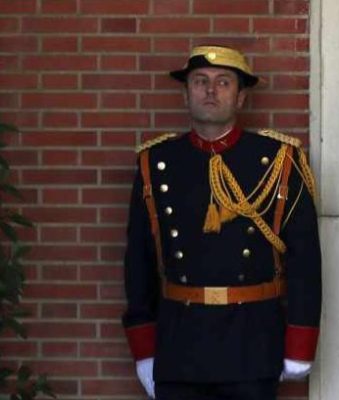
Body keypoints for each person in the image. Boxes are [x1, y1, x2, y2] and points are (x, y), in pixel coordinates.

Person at [122, 45, 322, 399]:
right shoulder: (156, 161)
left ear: (241, 97)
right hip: (180, 345)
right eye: (200, 81)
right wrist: (144, 346)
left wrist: (300, 342)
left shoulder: (279, 160)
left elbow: (304, 258)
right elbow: (138, 261)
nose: (210, 90)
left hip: (252, 343)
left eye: (223, 82)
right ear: (186, 95)